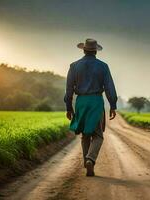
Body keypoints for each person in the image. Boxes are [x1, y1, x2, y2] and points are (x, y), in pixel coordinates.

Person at [64, 38, 117, 176]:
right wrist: (113, 105)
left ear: (83, 50)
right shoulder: (103, 66)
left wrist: (69, 107)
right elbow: (109, 87)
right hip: (96, 101)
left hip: (81, 101)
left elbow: (69, 90)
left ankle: (87, 160)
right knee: (98, 135)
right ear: (95, 51)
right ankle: (90, 159)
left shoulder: (74, 66)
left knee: (85, 135)